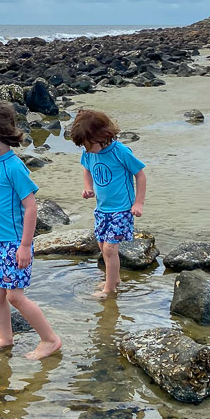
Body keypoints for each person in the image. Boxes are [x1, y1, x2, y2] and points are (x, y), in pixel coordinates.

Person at [0, 98, 62, 360]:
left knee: (15, 296)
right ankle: (6, 338)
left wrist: (26, 245)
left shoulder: (14, 166)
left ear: (1, 135)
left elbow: (30, 207)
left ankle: (50, 340)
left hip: (14, 244)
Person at [70, 108, 147, 297]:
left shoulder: (120, 152)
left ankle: (109, 289)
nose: (87, 150)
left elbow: (140, 174)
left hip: (121, 209)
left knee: (111, 248)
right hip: (102, 208)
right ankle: (114, 278)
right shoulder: (89, 153)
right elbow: (86, 169)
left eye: (89, 145)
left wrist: (139, 203)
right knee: (101, 244)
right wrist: (87, 187)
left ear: (102, 135)